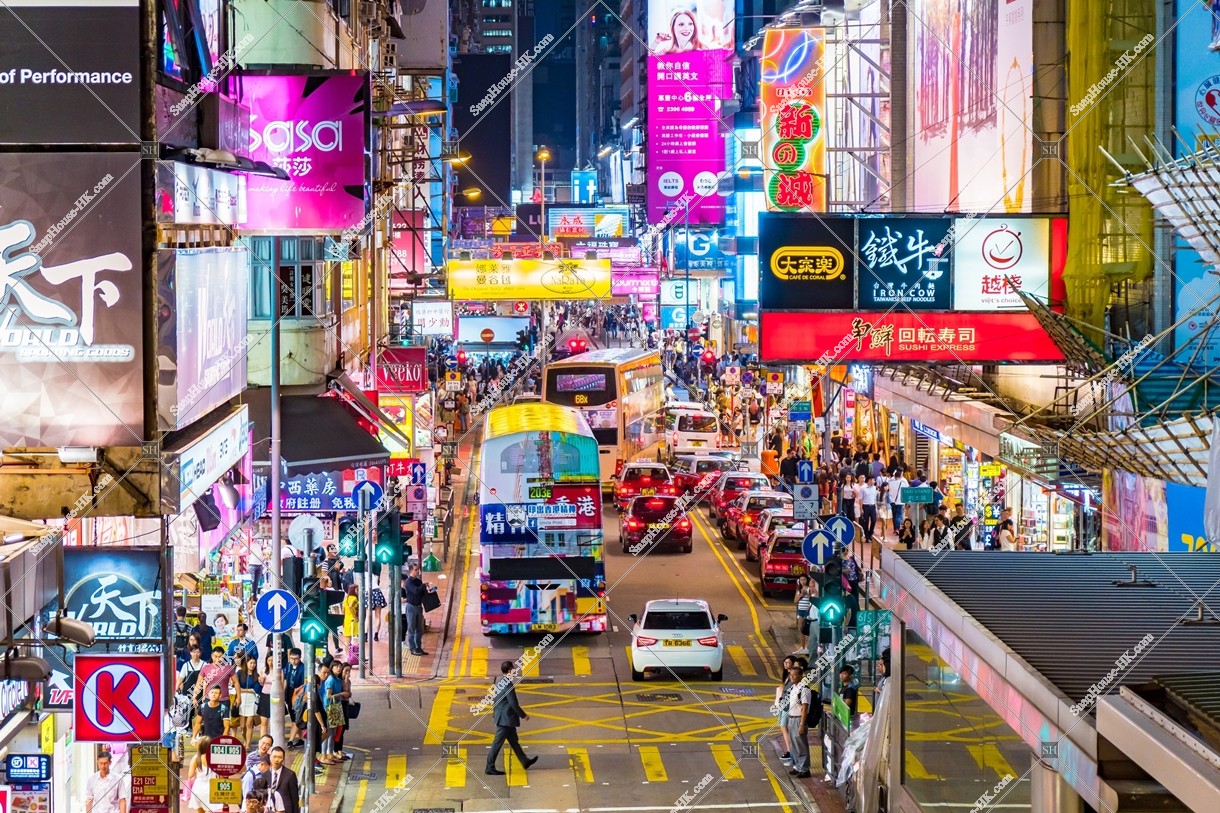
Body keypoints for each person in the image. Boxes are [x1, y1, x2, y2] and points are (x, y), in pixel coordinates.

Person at [486, 660, 538, 775]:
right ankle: (489, 767)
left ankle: (524, 761)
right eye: (513, 670)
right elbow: (513, 703)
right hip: (505, 719)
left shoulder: (500, 681)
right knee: (497, 743)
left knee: (514, 741)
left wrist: (495, 714)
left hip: (504, 718)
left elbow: (495, 700)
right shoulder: (508, 684)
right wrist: (523, 715)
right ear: (509, 671)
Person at [785, 664, 813, 778]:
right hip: (791, 718)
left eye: (794, 675)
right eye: (790, 675)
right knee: (793, 744)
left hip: (798, 719)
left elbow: (805, 708)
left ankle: (805, 768)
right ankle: (797, 766)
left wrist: (802, 724)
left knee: (800, 744)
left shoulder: (804, 690)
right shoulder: (794, 688)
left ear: (801, 676)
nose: (792, 677)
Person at [254, 746, 301, 813]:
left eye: (280, 757)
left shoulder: (290, 775)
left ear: (283, 759)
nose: (276, 760)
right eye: (274, 757)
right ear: (270, 757)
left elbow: (295, 798)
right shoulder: (265, 775)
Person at [403, 563, 435, 656]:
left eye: (418, 569)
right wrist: (423, 586)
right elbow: (416, 590)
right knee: (411, 629)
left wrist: (428, 590)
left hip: (419, 606)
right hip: (411, 607)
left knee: (419, 630)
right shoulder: (409, 582)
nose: (418, 571)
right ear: (411, 570)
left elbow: (421, 593)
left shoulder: (418, 581)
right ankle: (412, 648)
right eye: (416, 570)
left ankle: (418, 647)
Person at [323, 660, 350, 761]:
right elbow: (328, 696)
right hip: (330, 707)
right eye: (336, 667)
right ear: (332, 668)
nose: (339, 668)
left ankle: (330, 753)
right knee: (329, 732)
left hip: (336, 707)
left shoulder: (338, 680)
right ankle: (326, 753)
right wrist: (341, 694)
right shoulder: (331, 680)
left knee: (334, 732)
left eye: (340, 667)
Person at [185, 738, 221, 813]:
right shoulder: (215, 758)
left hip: (198, 788)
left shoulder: (196, 758)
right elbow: (219, 775)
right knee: (209, 810)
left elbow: (190, 775)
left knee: (200, 810)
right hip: (211, 788)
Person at [775, 655, 796, 768]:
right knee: (783, 727)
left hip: (788, 706)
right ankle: (789, 751)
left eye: (788, 662)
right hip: (784, 705)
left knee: (784, 727)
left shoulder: (793, 677)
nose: (785, 664)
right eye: (785, 662)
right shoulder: (787, 676)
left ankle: (790, 751)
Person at [236, 655, 262, 745]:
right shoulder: (240, 673)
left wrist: (242, 689)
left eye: (254, 663)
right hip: (241, 700)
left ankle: (248, 744)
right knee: (242, 725)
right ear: (246, 663)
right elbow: (236, 686)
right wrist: (246, 690)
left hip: (252, 701)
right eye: (250, 663)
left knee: (249, 724)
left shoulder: (256, 675)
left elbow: (256, 690)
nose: (252, 665)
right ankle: (245, 740)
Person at [794, 578, 813, 651]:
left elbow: (811, 599)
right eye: (801, 580)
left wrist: (807, 593)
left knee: (807, 629)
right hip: (800, 611)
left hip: (807, 611)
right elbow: (795, 600)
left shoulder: (809, 589)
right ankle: (802, 647)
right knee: (801, 629)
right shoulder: (799, 590)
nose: (802, 581)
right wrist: (801, 594)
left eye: (804, 580)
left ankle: (808, 647)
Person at [858, 476, 879, 540]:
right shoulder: (863, 488)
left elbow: (874, 498)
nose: (874, 481)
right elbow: (860, 499)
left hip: (872, 506)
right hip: (865, 506)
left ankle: (870, 533)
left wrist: (876, 507)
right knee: (865, 521)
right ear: (869, 480)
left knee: (874, 520)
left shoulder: (874, 488)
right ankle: (867, 536)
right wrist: (861, 508)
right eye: (873, 480)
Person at [342, 584, 359, 650]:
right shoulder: (354, 598)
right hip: (352, 620)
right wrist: (355, 616)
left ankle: (347, 655)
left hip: (346, 620)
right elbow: (350, 606)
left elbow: (343, 610)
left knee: (347, 640)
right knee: (354, 639)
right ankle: (353, 655)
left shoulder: (346, 598)